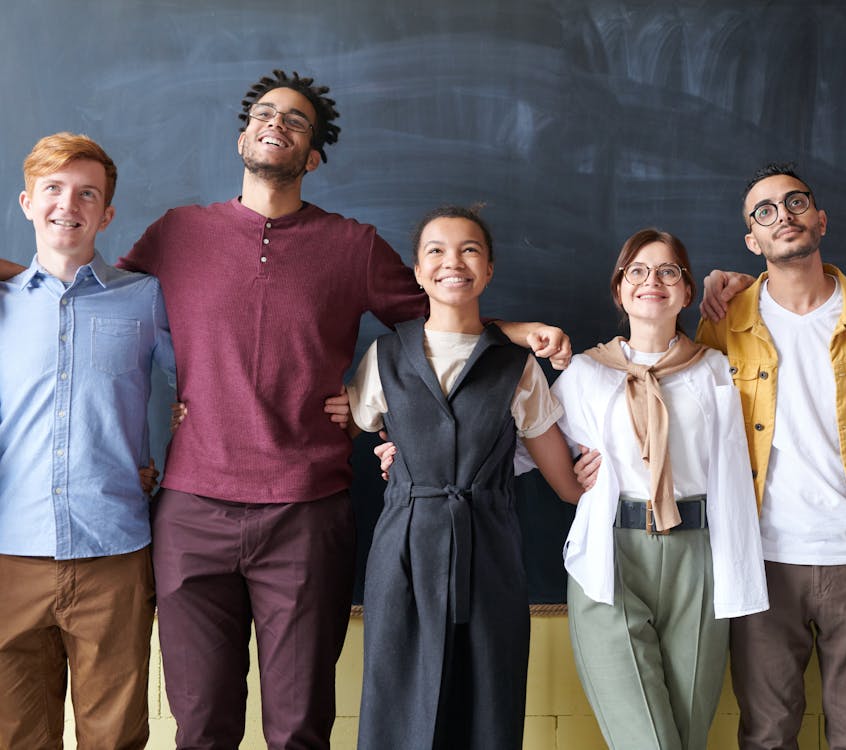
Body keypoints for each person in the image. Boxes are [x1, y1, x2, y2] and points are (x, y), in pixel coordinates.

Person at [116, 70, 570, 749]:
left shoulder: (352, 246)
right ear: (243, 135)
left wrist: (516, 331)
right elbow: (97, 303)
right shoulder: (177, 233)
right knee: (201, 725)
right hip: (191, 507)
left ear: (314, 155)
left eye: (296, 121)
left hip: (306, 510)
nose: (277, 124)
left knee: (300, 727)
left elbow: (440, 314)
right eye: (266, 114)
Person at [695, 164, 846, 749]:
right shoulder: (725, 324)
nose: (784, 216)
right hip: (761, 559)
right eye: (765, 211)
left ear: (819, 218)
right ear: (753, 240)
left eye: (795, 203)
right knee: (767, 734)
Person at [345, 205, 582, 749]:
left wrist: (599, 474)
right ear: (417, 270)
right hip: (403, 547)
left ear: (490, 269)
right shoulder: (384, 356)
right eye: (437, 250)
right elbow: (341, 428)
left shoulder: (516, 365)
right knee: (398, 696)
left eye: (470, 249)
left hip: (490, 547)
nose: (453, 262)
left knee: (487, 699)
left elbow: (563, 482)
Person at [551, 227, 768, 750]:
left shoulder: (714, 368)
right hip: (611, 553)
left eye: (669, 271)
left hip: (698, 557)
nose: (653, 281)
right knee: (647, 740)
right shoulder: (585, 373)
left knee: (688, 734)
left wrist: (738, 282)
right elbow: (519, 442)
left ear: (688, 291)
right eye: (638, 272)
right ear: (620, 289)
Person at [0, 133, 175, 749]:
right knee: (17, 736)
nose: (66, 205)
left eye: (86, 193)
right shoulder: (0, 306)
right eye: (52, 189)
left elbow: (215, 387)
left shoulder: (146, 300)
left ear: (107, 214)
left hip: (115, 554)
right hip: (8, 557)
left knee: (116, 737)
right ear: (26, 201)